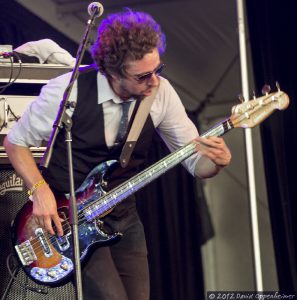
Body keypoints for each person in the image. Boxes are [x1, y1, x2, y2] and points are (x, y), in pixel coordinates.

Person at [4, 9, 231, 300]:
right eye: (142, 76)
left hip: (123, 216)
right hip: (69, 218)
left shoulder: (161, 94)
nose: (154, 82)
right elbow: (15, 143)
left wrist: (215, 162)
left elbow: (194, 162)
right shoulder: (67, 91)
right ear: (112, 71)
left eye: (157, 70)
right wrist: (40, 191)